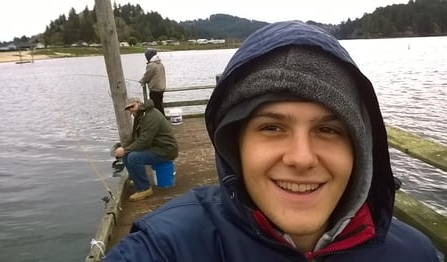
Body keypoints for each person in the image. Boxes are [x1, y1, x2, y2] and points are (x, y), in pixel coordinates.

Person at [105, 21, 439, 261]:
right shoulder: (169, 247)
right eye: (272, 128)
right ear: (236, 144)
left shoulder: (415, 253)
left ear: (359, 148)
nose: (302, 158)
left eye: (329, 130)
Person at [114, 97, 178, 201]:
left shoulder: (151, 116)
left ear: (139, 103)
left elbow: (144, 141)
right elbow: (135, 137)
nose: (131, 110)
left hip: (166, 150)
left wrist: (125, 150)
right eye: (129, 109)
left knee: (134, 157)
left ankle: (144, 189)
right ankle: (137, 180)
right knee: (127, 155)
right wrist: (124, 148)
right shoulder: (140, 116)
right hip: (155, 147)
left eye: (132, 106)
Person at [139, 48, 167, 116]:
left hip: (155, 89)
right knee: (159, 105)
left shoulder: (151, 65)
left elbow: (147, 76)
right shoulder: (160, 63)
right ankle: (162, 121)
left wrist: (142, 81)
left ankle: (161, 122)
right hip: (161, 88)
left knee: (156, 107)